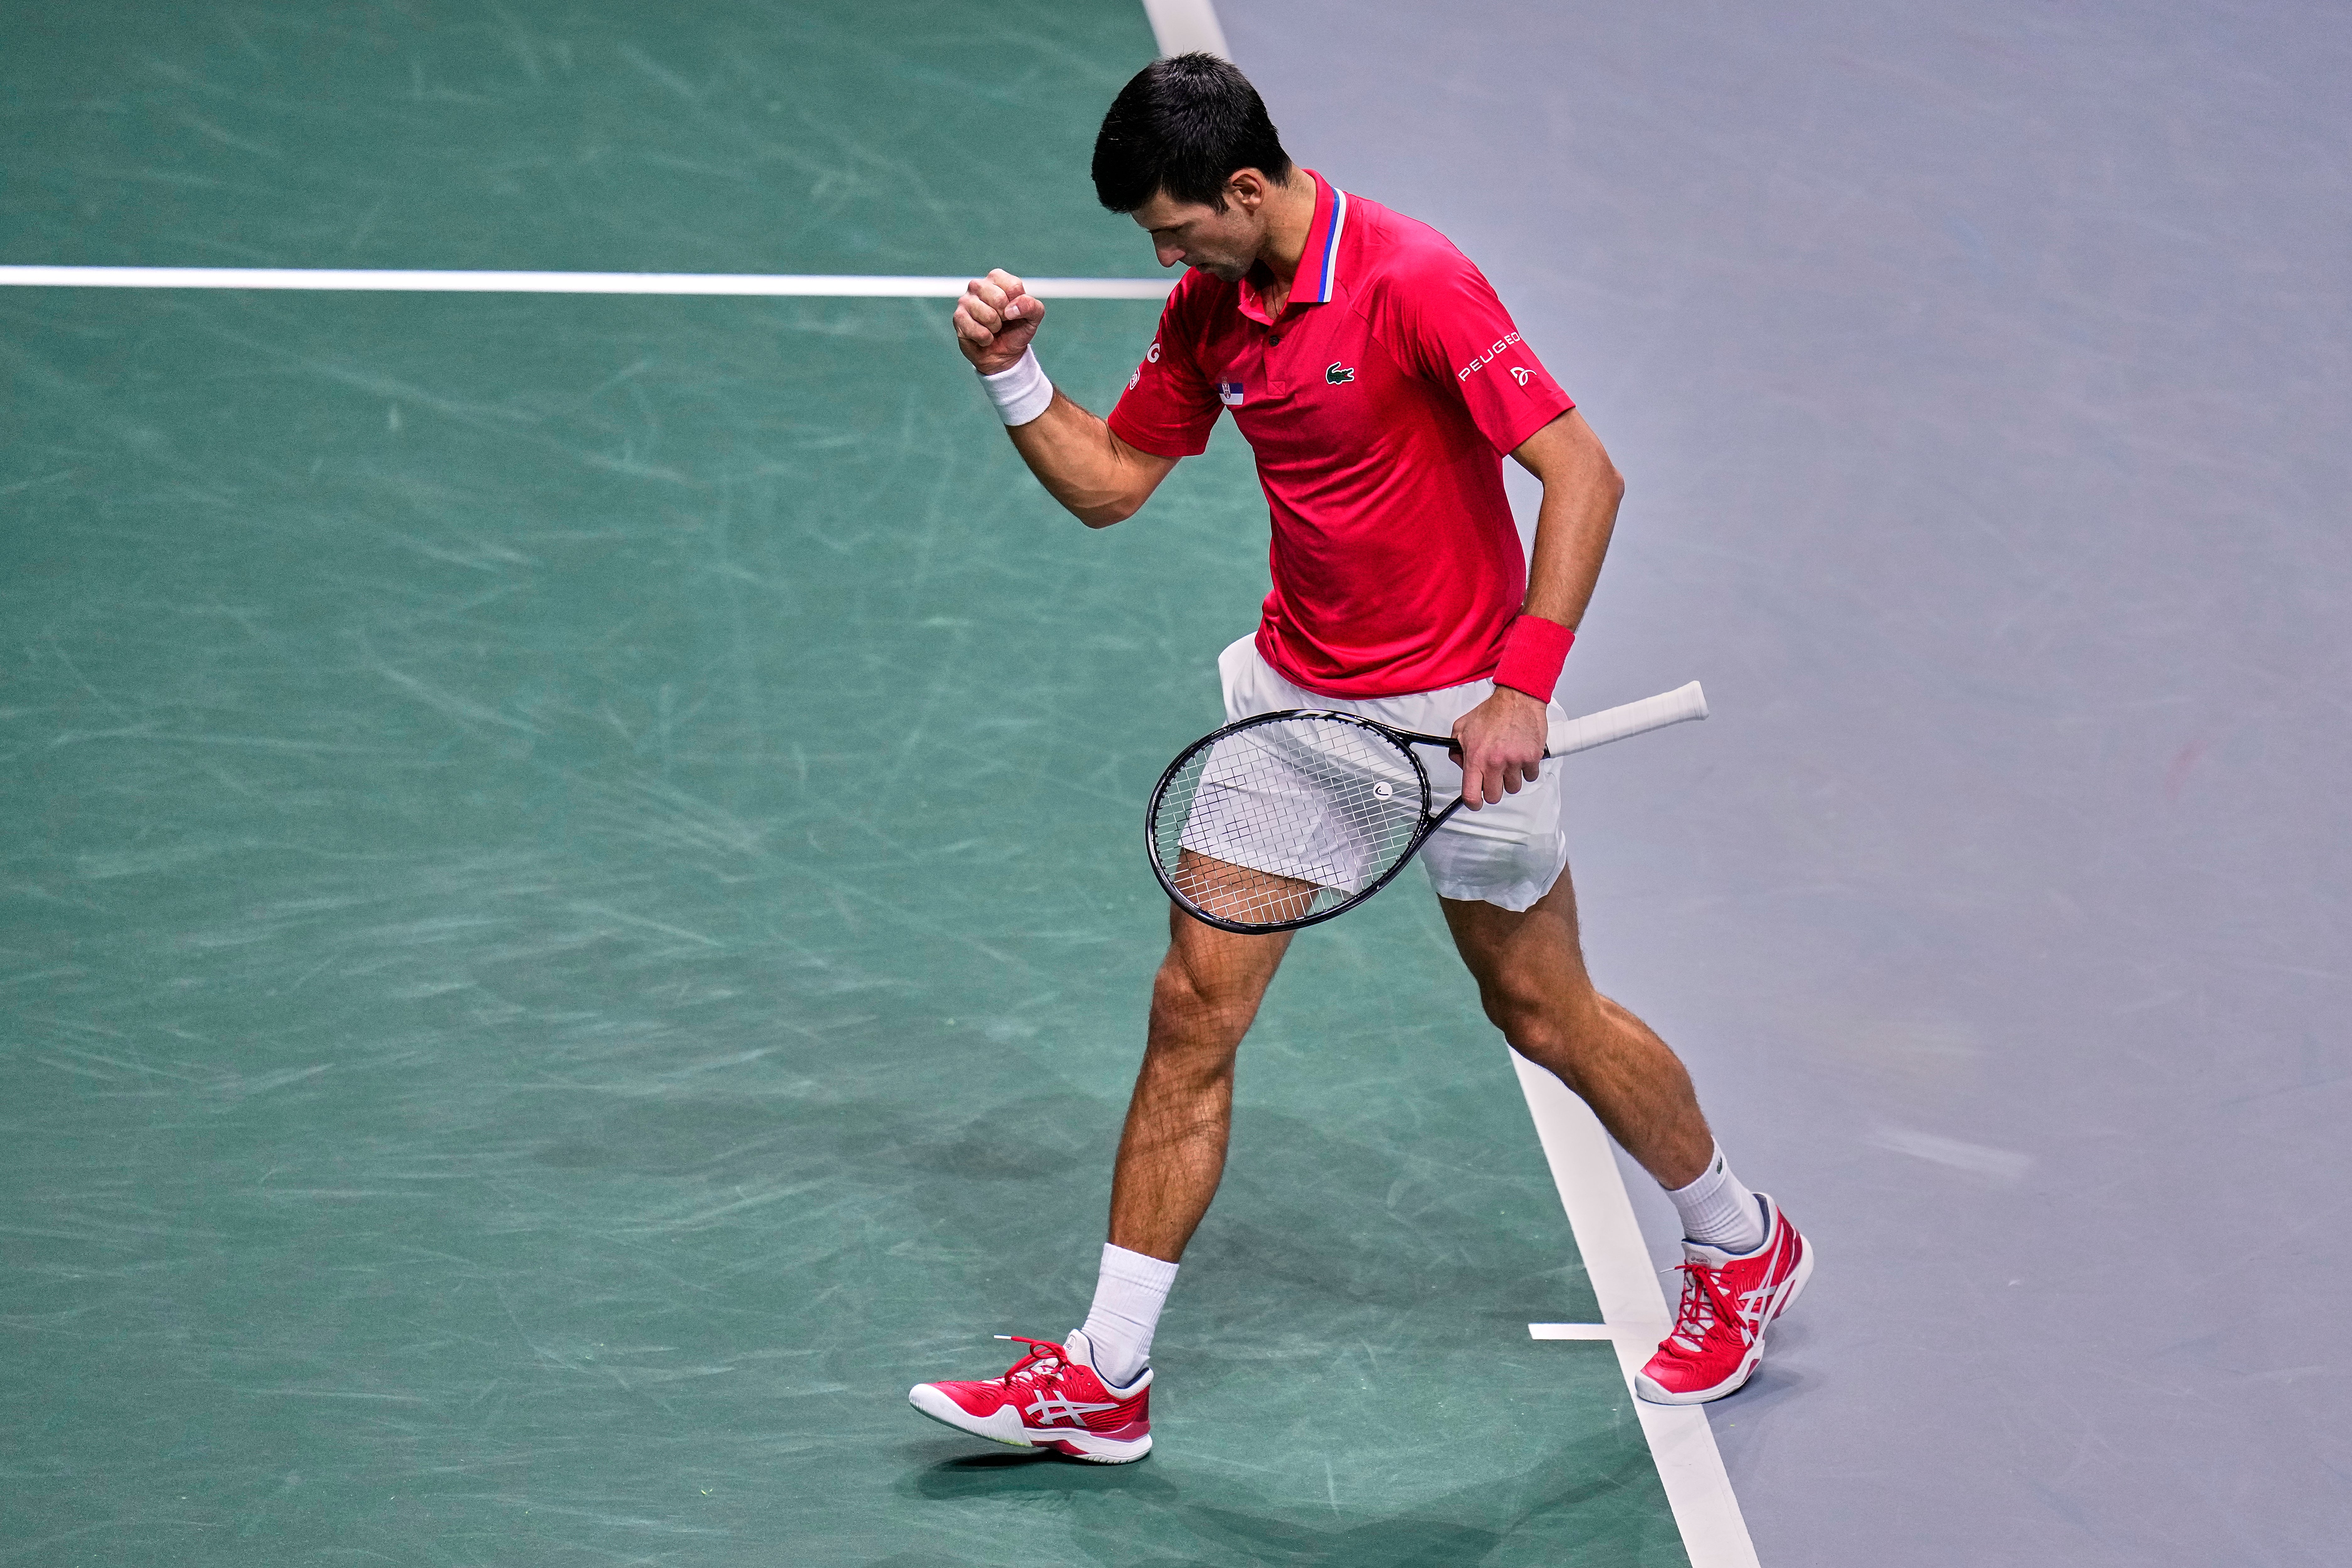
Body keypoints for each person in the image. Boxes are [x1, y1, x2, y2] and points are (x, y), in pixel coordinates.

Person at [907, 54, 1810, 1464]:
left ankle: (1739, 1240)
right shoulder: (1214, 307)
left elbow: (1584, 473)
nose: (1163, 256)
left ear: (1246, 187)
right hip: (1295, 712)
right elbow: (1110, 489)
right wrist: (1011, 374)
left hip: (1461, 722)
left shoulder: (1414, 278)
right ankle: (1105, 1373)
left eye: (1173, 226)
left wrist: (1520, 689)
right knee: (1189, 1015)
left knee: (1544, 1011)